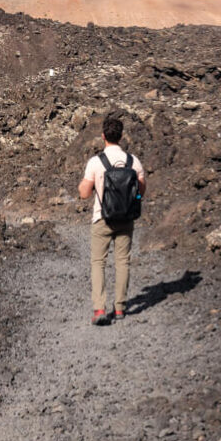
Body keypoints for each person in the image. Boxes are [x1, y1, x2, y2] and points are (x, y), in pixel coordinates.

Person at [78, 113, 146, 325]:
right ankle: (120, 308)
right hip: (126, 218)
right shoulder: (133, 161)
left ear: (103, 136)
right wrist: (132, 198)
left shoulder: (96, 162)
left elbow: (84, 193)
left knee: (98, 262)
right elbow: (141, 189)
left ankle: (99, 309)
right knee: (122, 261)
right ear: (121, 136)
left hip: (102, 218)